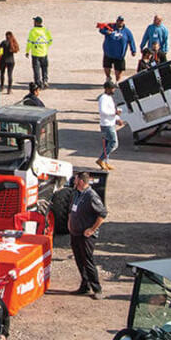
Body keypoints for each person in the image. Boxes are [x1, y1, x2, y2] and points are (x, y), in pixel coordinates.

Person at [67, 171, 107, 299]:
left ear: (81, 182)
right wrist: (69, 222)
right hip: (75, 233)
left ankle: (97, 289)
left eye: (76, 179)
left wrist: (92, 229)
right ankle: (85, 286)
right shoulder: (76, 194)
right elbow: (71, 210)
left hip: (85, 236)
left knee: (87, 261)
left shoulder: (91, 196)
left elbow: (102, 214)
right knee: (79, 260)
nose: (74, 181)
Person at [98, 16, 137, 83]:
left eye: (121, 21)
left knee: (118, 70)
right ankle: (108, 77)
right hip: (108, 52)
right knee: (106, 67)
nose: (120, 22)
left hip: (119, 54)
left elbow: (131, 40)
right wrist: (107, 32)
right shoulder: (110, 27)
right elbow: (101, 29)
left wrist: (133, 50)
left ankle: (117, 81)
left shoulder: (127, 31)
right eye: (119, 21)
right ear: (117, 21)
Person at [96, 81, 123, 170]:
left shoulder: (109, 98)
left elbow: (112, 109)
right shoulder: (103, 98)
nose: (114, 90)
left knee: (107, 144)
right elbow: (103, 111)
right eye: (112, 88)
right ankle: (101, 159)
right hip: (106, 124)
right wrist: (114, 113)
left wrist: (117, 118)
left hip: (110, 123)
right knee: (113, 143)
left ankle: (106, 162)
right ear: (107, 89)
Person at [25, 16, 52, 88]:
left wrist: (27, 51)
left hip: (35, 53)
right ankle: (45, 81)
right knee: (44, 67)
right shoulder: (45, 30)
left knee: (36, 69)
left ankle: (38, 83)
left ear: (36, 23)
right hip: (44, 53)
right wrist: (45, 47)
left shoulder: (33, 31)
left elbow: (29, 42)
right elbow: (50, 41)